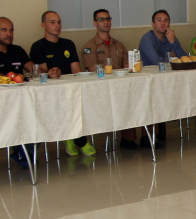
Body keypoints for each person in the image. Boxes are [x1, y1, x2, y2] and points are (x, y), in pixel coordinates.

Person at [30, 11, 96, 157]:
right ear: (43, 25)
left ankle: (73, 136)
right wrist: (53, 74)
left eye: (59, 22)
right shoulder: (38, 46)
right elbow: (43, 73)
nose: (57, 25)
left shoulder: (68, 44)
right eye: (52, 22)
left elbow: (75, 70)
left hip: (71, 87)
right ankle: (77, 139)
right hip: (51, 90)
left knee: (81, 99)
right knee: (63, 101)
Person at [0, 17, 38, 168]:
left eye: (11, 30)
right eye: (4, 30)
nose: (8, 34)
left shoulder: (18, 50)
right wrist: (12, 78)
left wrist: (48, 73)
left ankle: (23, 153)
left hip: (21, 100)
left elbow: (33, 69)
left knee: (38, 113)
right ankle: (22, 152)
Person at [81, 10, 139, 149]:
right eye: (101, 19)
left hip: (121, 86)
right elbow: (92, 69)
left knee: (133, 98)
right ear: (95, 23)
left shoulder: (119, 45)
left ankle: (129, 139)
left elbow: (127, 66)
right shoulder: (90, 46)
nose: (106, 22)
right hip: (101, 89)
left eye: (108, 19)